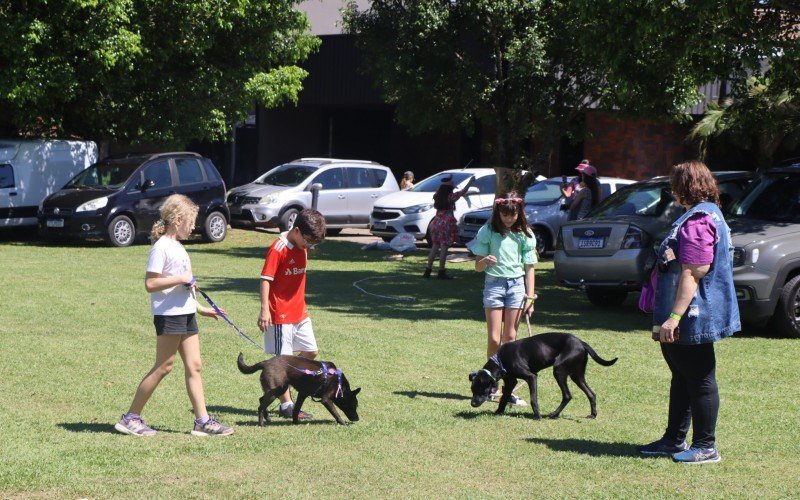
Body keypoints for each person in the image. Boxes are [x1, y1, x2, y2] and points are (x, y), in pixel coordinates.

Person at [637, 160, 740, 464]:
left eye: (674, 184)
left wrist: (675, 316)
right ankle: (673, 440)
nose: (672, 190)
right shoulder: (707, 214)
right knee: (682, 376)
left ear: (684, 187)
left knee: (700, 377)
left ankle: (706, 446)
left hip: (693, 314)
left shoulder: (698, 220)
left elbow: (694, 273)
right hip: (688, 312)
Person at [115, 194, 233, 437]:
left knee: (195, 365)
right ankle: (130, 418)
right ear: (178, 220)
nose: (193, 227)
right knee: (164, 366)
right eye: (191, 222)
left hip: (186, 313)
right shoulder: (161, 248)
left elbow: (184, 290)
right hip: (169, 316)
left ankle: (202, 422)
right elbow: (151, 283)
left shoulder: (178, 247)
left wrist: (201, 308)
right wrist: (181, 278)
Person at [257, 208, 327, 420]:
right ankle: (286, 405)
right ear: (296, 231)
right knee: (283, 360)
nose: (309, 246)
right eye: (308, 241)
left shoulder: (302, 245)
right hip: (281, 314)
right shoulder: (278, 248)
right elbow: (266, 279)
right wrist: (264, 309)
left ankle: (286, 378)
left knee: (311, 352)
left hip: (300, 312)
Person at [471, 192, 538, 406]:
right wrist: (485, 261)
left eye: (513, 214)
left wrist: (530, 297)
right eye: (504, 214)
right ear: (497, 211)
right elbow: (477, 266)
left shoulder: (525, 234)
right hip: (494, 285)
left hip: (517, 286)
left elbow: (529, 268)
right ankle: (492, 386)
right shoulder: (488, 231)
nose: (508, 218)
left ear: (519, 212)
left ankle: (507, 391)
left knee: (510, 339)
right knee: (494, 338)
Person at [424, 174, 475, 279]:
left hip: (435, 223)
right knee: (444, 248)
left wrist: (447, 180)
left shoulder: (437, 195)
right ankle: (441, 272)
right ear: (449, 189)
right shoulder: (450, 197)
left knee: (434, 247)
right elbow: (462, 192)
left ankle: (427, 271)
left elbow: (444, 187)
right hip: (445, 224)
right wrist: (470, 182)